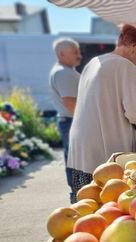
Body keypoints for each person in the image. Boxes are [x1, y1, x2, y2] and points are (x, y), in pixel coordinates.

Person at [67, 24, 136, 192]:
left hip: (81, 148)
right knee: (108, 205)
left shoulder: (93, 63)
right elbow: (134, 115)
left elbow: (102, 100)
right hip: (106, 152)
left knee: (85, 203)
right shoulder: (126, 66)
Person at [48, 37, 82, 204]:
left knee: (74, 160)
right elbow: (70, 102)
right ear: (62, 54)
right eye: (75, 52)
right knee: (77, 161)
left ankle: (78, 195)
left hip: (69, 121)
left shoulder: (64, 71)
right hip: (72, 121)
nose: (79, 55)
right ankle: (79, 197)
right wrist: (86, 121)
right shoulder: (64, 73)